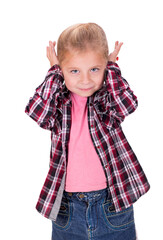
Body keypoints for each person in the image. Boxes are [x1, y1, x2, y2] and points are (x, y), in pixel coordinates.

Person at [25, 23, 150, 240]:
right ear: (61, 70)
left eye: (95, 69)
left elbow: (127, 104)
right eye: (74, 71)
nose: (85, 80)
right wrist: (54, 72)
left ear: (106, 67)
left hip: (112, 203)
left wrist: (112, 68)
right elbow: (38, 112)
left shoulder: (105, 100)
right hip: (68, 208)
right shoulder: (60, 104)